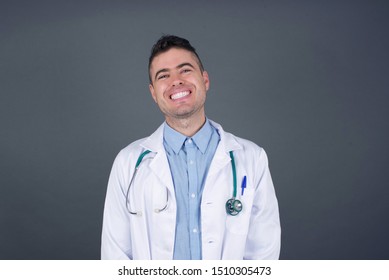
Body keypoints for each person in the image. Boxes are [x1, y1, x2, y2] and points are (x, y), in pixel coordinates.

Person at [101, 35, 281, 260]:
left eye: (185, 70)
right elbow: (115, 254)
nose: (176, 81)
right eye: (163, 75)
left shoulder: (252, 158)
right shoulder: (128, 163)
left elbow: (264, 252)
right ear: (154, 93)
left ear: (205, 80)